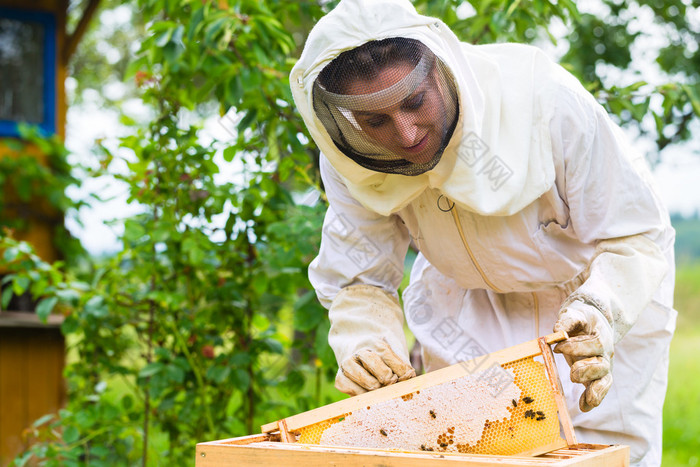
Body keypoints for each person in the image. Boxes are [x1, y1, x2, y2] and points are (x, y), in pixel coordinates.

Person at [290, 0, 676, 465]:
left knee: (603, 452)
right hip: (465, 305)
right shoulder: (353, 158)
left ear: (440, 72)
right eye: (376, 121)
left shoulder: (547, 101)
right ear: (348, 122)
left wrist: (601, 311)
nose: (408, 134)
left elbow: (635, 236)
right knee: (469, 446)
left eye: (414, 102)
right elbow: (360, 278)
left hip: (587, 299)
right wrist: (368, 346)